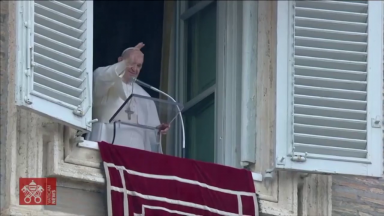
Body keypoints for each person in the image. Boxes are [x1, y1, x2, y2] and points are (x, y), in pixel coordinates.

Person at [89, 42, 168, 153]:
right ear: (120, 60)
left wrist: (158, 130)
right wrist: (125, 63)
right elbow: (104, 76)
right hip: (106, 146)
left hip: (136, 153)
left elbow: (150, 133)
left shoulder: (144, 95)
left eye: (139, 65)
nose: (134, 69)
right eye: (131, 63)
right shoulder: (104, 79)